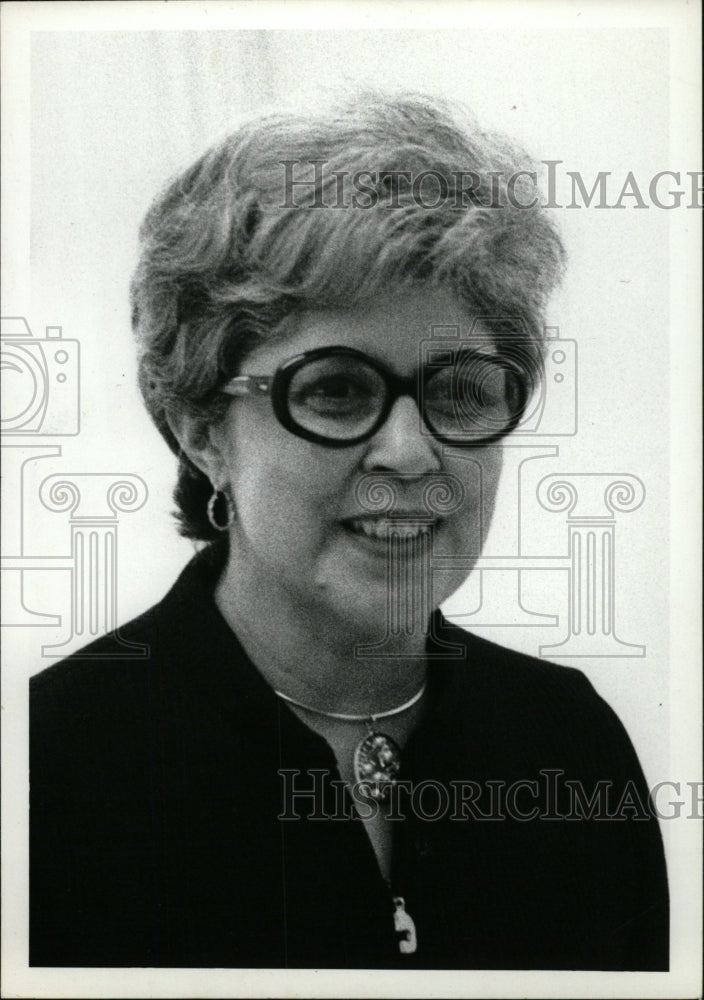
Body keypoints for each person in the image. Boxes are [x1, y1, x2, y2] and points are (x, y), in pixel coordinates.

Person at [30, 93, 668, 970]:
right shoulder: (44, 769)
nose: (409, 452)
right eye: (334, 390)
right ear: (201, 428)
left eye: (459, 391)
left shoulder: (568, 743)